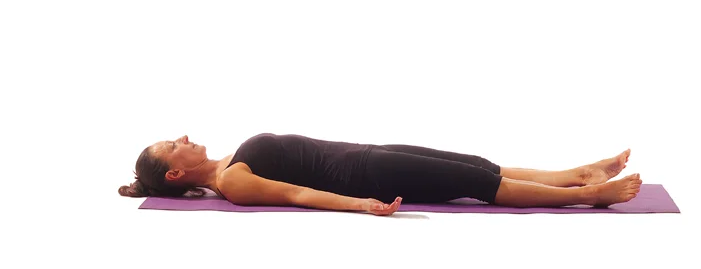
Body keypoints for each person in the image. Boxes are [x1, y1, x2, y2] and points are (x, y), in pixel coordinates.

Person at [118, 132, 642, 216]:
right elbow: (299, 192)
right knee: (483, 187)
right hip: (368, 175)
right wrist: (362, 206)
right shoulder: (232, 181)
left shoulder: (233, 157)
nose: (183, 138)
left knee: (479, 165)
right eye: (173, 145)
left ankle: (576, 172)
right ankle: (592, 194)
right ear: (174, 176)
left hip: (370, 151)